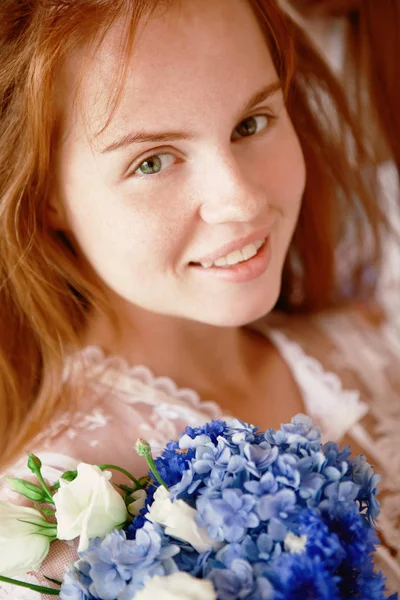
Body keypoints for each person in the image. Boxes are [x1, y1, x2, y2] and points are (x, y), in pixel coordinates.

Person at [0, 0, 399, 596]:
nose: (241, 201)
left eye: (251, 123)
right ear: (45, 194)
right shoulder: (50, 532)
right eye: (153, 161)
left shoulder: (366, 343)